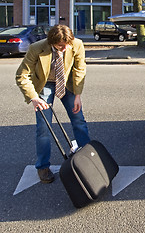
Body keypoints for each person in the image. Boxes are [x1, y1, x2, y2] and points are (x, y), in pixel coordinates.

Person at [16, 24, 90, 184]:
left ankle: (88, 160)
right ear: (51, 42)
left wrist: (78, 95)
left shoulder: (76, 44)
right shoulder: (37, 48)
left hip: (68, 84)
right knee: (43, 128)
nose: (64, 49)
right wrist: (34, 97)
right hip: (45, 85)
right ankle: (42, 166)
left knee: (79, 121)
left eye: (67, 46)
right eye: (60, 46)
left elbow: (79, 69)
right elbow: (21, 75)